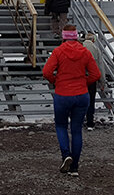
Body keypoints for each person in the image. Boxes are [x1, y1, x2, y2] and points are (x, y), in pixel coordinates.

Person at [42, 24, 100, 176]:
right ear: (76, 36)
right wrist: (83, 82)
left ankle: (66, 155)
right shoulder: (85, 52)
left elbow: (46, 71)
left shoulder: (58, 51)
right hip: (81, 95)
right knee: (76, 130)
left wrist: (56, 80)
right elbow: (95, 75)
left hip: (63, 94)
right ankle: (74, 167)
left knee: (61, 126)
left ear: (63, 36)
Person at [82, 32, 104, 130]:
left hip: (80, 79)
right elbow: (100, 66)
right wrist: (102, 82)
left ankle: (79, 120)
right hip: (91, 79)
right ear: (93, 40)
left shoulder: (80, 47)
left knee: (80, 101)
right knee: (91, 101)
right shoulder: (96, 49)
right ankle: (90, 122)